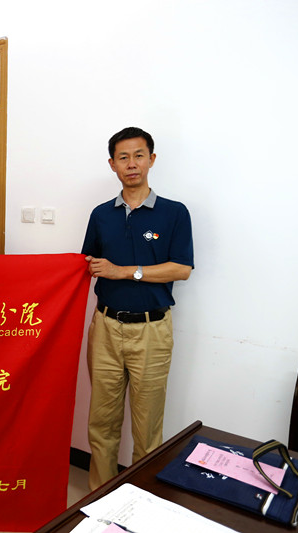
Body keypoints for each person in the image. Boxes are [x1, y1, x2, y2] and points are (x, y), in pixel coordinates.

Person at [81, 127, 194, 490]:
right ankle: (99, 500)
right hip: (105, 328)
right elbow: (86, 264)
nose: (132, 164)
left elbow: (182, 269)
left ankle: (142, 503)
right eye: (123, 157)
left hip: (152, 331)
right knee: (102, 424)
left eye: (139, 155)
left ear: (152, 160)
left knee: (147, 430)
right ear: (112, 164)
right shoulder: (101, 214)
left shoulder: (174, 213)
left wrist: (125, 271)